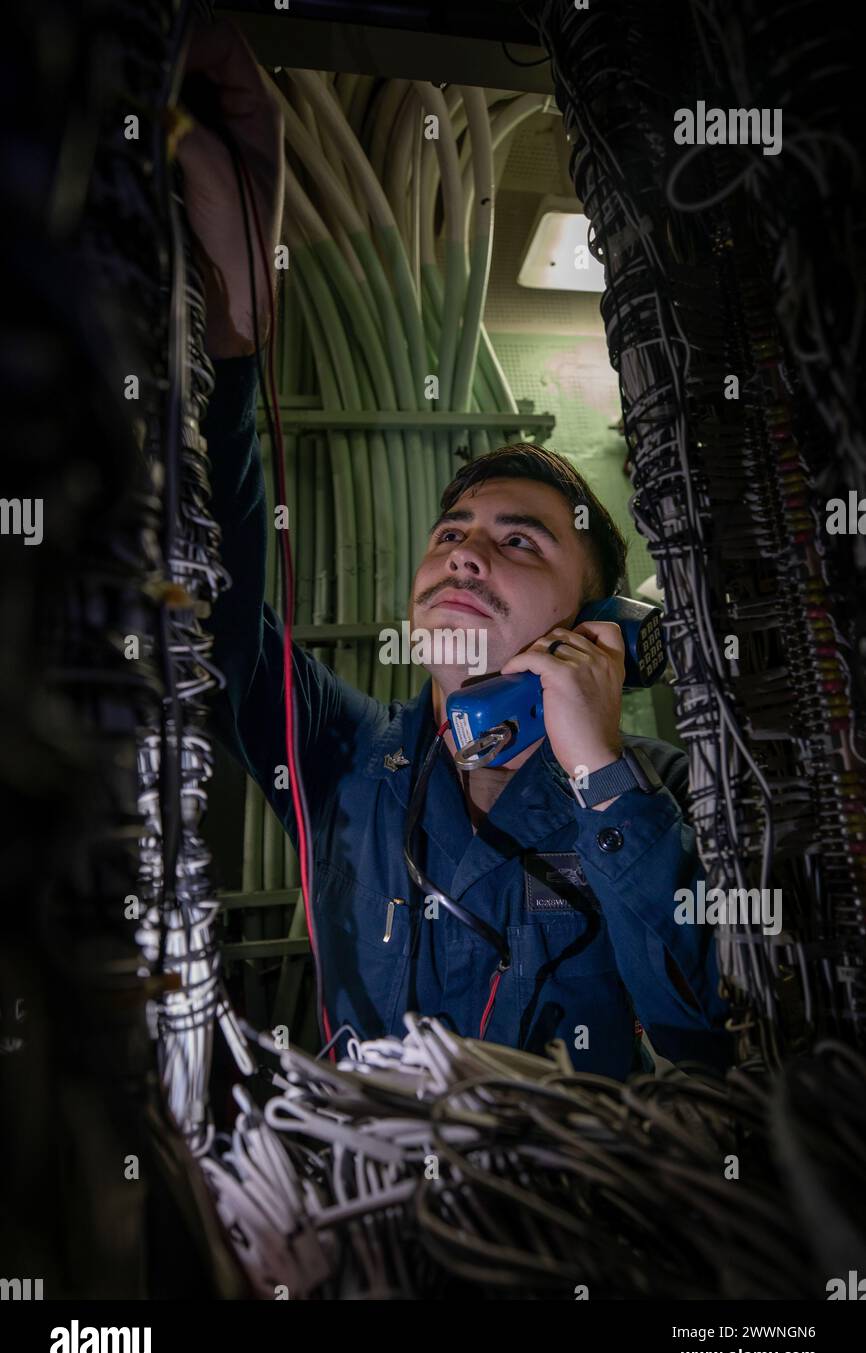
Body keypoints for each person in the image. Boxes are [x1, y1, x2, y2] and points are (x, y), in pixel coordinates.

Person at [179, 19, 733, 1078]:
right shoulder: (347, 762)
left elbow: (703, 1032)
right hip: (366, 1213)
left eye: (517, 539)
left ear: (597, 623)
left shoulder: (665, 798)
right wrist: (236, 346)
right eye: (450, 534)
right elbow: (216, 616)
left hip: (565, 1237)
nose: (462, 554)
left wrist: (599, 778)